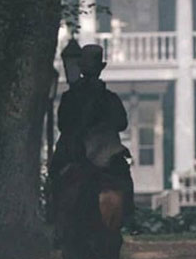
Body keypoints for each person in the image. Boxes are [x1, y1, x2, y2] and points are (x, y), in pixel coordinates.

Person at [47, 44, 134, 239]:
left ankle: (54, 221)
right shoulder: (110, 98)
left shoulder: (70, 97)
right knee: (123, 177)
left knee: (56, 174)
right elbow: (121, 123)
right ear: (100, 68)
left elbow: (63, 125)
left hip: (78, 151)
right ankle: (128, 217)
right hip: (104, 152)